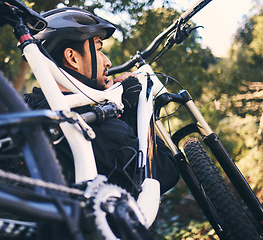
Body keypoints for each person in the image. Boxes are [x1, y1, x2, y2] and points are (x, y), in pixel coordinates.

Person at [22, 7, 180, 196]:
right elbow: (165, 171)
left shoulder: (27, 111)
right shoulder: (90, 124)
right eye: (98, 49)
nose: (107, 62)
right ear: (72, 58)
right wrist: (132, 110)